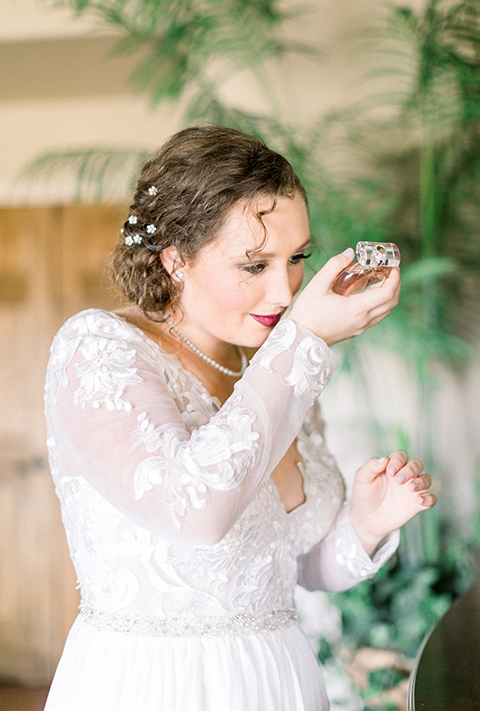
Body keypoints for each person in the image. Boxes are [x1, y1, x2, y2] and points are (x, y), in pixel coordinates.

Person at [43, 125, 436, 711]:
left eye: (297, 258)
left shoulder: (274, 368)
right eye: (255, 265)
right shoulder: (102, 349)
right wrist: (302, 343)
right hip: (155, 686)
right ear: (175, 259)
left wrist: (367, 523)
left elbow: (295, 570)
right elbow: (196, 512)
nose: (285, 291)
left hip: (280, 682)